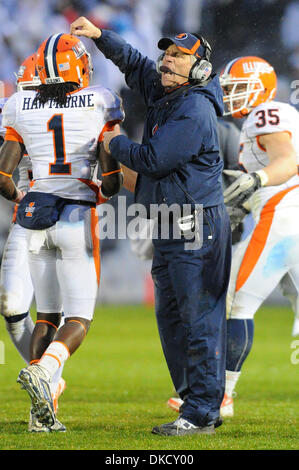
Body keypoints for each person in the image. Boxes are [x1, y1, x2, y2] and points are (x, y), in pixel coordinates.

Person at [70, 17, 232, 436]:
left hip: (195, 226)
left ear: (200, 70)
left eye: (179, 56)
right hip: (169, 223)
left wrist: (110, 142)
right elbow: (134, 62)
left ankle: (200, 412)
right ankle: (193, 401)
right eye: (168, 53)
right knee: (173, 319)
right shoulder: (168, 90)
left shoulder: (194, 108)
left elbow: (153, 160)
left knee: (197, 320)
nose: (167, 61)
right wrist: (100, 36)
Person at [0, 33, 124, 431]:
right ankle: (45, 371)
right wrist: (103, 187)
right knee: (79, 318)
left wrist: (25, 193)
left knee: (46, 315)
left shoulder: (19, 104)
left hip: (35, 214)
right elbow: (111, 180)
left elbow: (3, 176)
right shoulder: (101, 100)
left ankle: (40, 416)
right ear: (81, 66)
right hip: (76, 215)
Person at [217, 56, 299, 417]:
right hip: (283, 215)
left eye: (237, 88)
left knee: (235, 300)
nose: (230, 96)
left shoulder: (265, 113)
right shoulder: (260, 119)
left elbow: (286, 161)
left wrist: (258, 180)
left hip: (281, 218)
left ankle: (223, 395)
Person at [0, 54, 66, 432]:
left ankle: (45, 383)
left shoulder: (76, 118)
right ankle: (47, 379)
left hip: (67, 220)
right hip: (25, 219)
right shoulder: (11, 118)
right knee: (11, 306)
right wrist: (18, 197)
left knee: (53, 311)